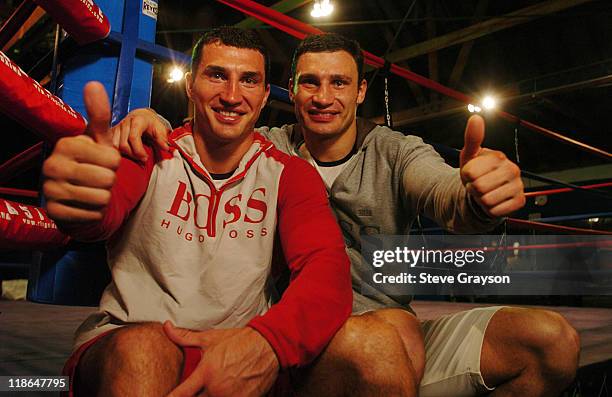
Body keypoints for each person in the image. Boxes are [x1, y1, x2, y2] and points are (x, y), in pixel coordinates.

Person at [119, 33, 580, 396]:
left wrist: (478, 196)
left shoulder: (396, 152)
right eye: (309, 83)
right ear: (291, 90)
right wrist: (149, 120)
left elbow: (444, 194)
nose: (323, 97)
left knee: (551, 342)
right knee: (375, 340)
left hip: (397, 337)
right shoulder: (268, 151)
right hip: (297, 341)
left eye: (339, 82)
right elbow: (207, 135)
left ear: (360, 91)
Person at [42, 28, 355, 397]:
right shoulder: (149, 148)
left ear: (266, 94)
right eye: (217, 75)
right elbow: (99, 217)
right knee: (144, 348)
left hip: (241, 353)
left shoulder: (289, 174)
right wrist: (83, 202)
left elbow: (327, 270)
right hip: (128, 341)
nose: (232, 96)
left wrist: (266, 343)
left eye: (249, 80)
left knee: (371, 344)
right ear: (190, 84)